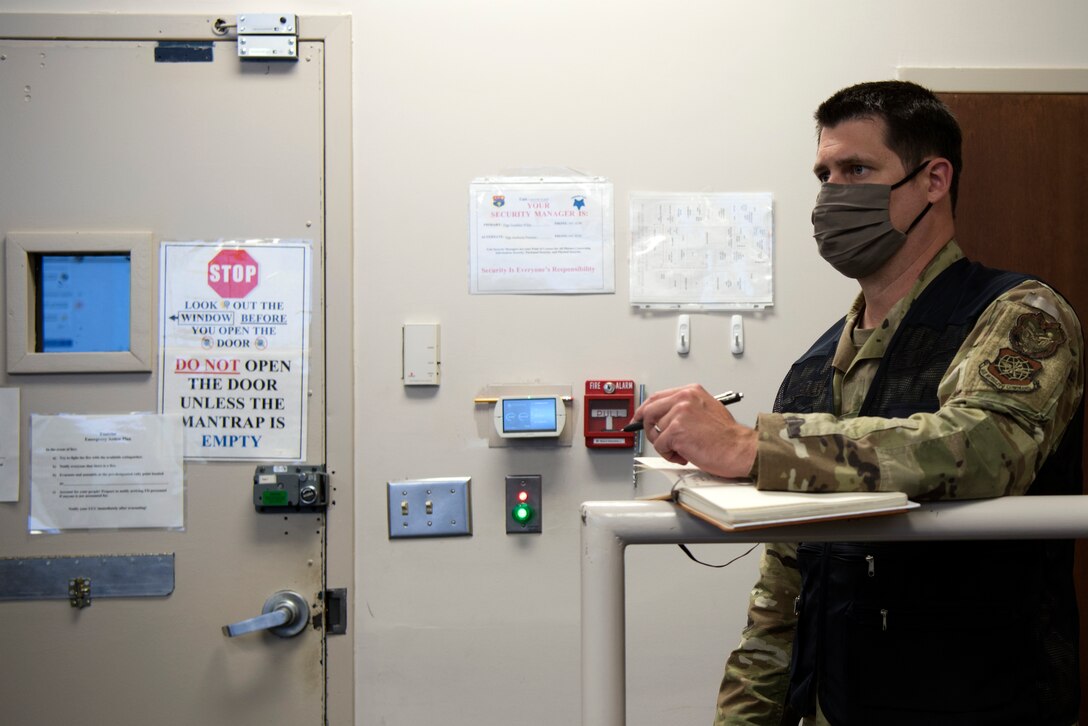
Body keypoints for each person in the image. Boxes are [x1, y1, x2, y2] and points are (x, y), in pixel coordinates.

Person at [631, 80, 1084, 726]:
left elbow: (983, 449)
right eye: (824, 173)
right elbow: (781, 598)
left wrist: (751, 447)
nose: (833, 193)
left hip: (982, 705)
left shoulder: (1019, 316)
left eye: (858, 170)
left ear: (934, 180)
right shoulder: (813, 371)